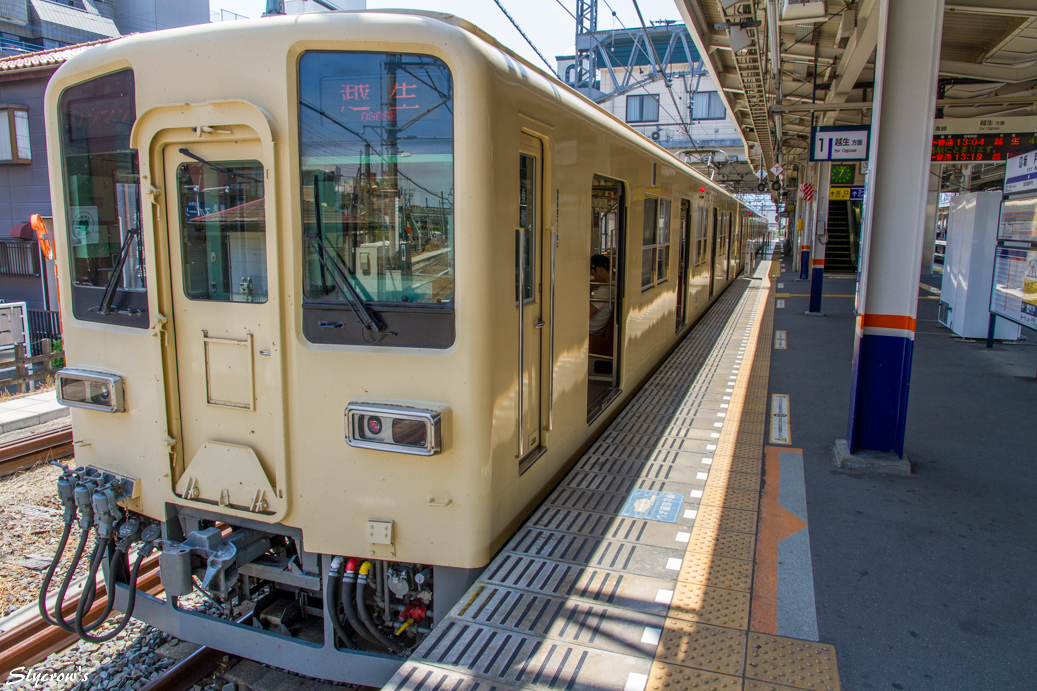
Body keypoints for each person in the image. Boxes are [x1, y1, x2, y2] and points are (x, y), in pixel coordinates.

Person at [589, 254, 613, 337]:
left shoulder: (604, 290)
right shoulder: (613, 285)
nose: (594, 278)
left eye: (593, 274)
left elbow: (587, 314)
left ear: (599, 270)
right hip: (598, 329)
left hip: (591, 330)